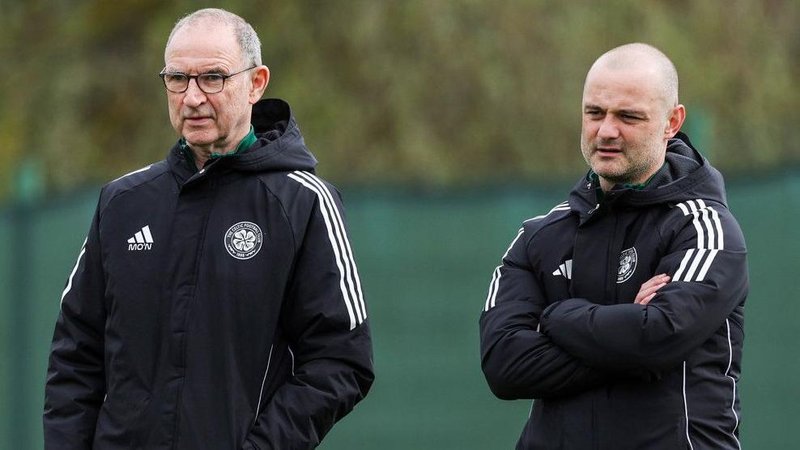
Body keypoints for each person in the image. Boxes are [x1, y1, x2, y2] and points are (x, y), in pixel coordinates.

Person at [44, 8, 373, 449]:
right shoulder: (122, 203)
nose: (192, 97)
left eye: (213, 77)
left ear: (256, 83)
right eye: (177, 79)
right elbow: (75, 354)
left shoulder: (304, 203)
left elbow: (341, 360)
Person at [480, 43, 748, 450]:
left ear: (671, 122)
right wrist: (628, 340)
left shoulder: (705, 229)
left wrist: (557, 316)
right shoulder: (538, 235)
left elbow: (656, 337)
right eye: (595, 113)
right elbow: (504, 365)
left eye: (628, 116)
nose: (606, 130)